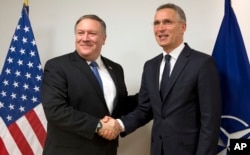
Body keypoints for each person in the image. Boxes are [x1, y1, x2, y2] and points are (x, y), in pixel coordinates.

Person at [100, 3, 222, 155]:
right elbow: (145, 109)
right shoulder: (150, 66)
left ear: (183, 27)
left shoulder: (202, 63)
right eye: (156, 23)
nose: (160, 28)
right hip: (158, 149)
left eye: (167, 22)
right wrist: (119, 124)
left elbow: (210, 120)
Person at [41, 14, 138, 155]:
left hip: (106, 151)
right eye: (80, 33)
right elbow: (55, 111)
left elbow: (120, 106)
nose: (85, 38)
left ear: (104, 39)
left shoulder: (116, 69)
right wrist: (98, 126)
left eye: (92, 33)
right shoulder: (57, 66)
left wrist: (153, 92)